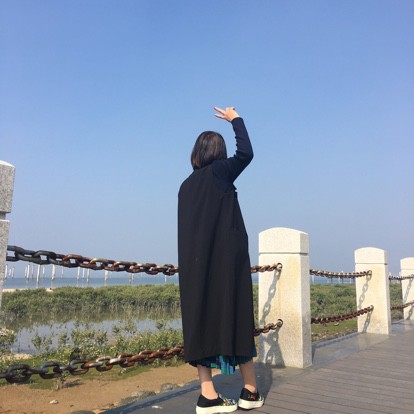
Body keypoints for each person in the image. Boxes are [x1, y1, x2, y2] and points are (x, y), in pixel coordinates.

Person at [178, 106, 264, 413]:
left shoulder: (186, 186)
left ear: (196, 153)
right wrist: (235, 119)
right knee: (237, 316)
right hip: (227, 265)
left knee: (200, 321)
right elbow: (246, 153)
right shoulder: (220, 172)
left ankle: (208, 395)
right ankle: (250, 391)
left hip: (195, 268)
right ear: (218, 153)